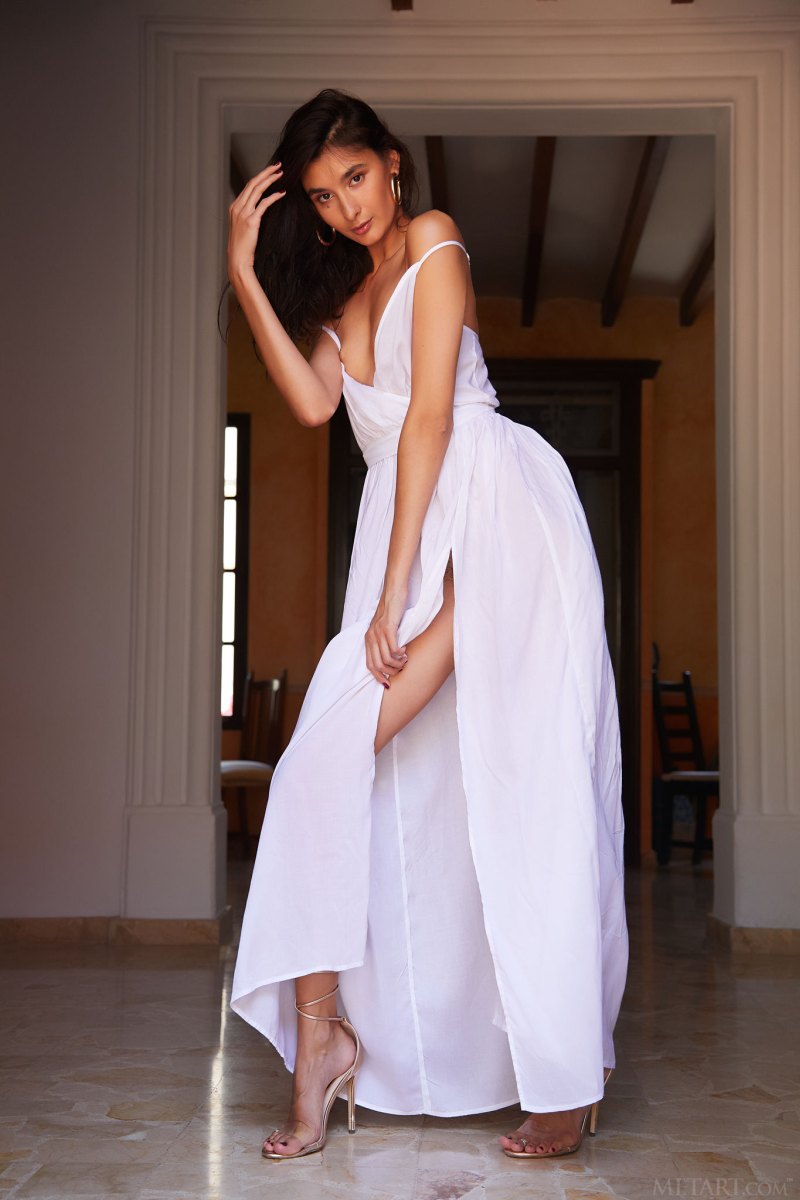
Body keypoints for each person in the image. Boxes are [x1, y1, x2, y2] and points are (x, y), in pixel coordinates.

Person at [227, 88, 629, 1163]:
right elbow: (314, 405)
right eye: (322, 196)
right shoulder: (339, 294)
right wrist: (242, 273)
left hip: (490, 524)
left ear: (392, 164)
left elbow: (433, 419)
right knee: (335, 774)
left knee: (523, 791)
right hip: (407, 540)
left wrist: (401, 586)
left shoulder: (434, 239)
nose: (347, 206)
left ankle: (559, 1079)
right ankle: (325, 1040)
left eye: (355, 178)